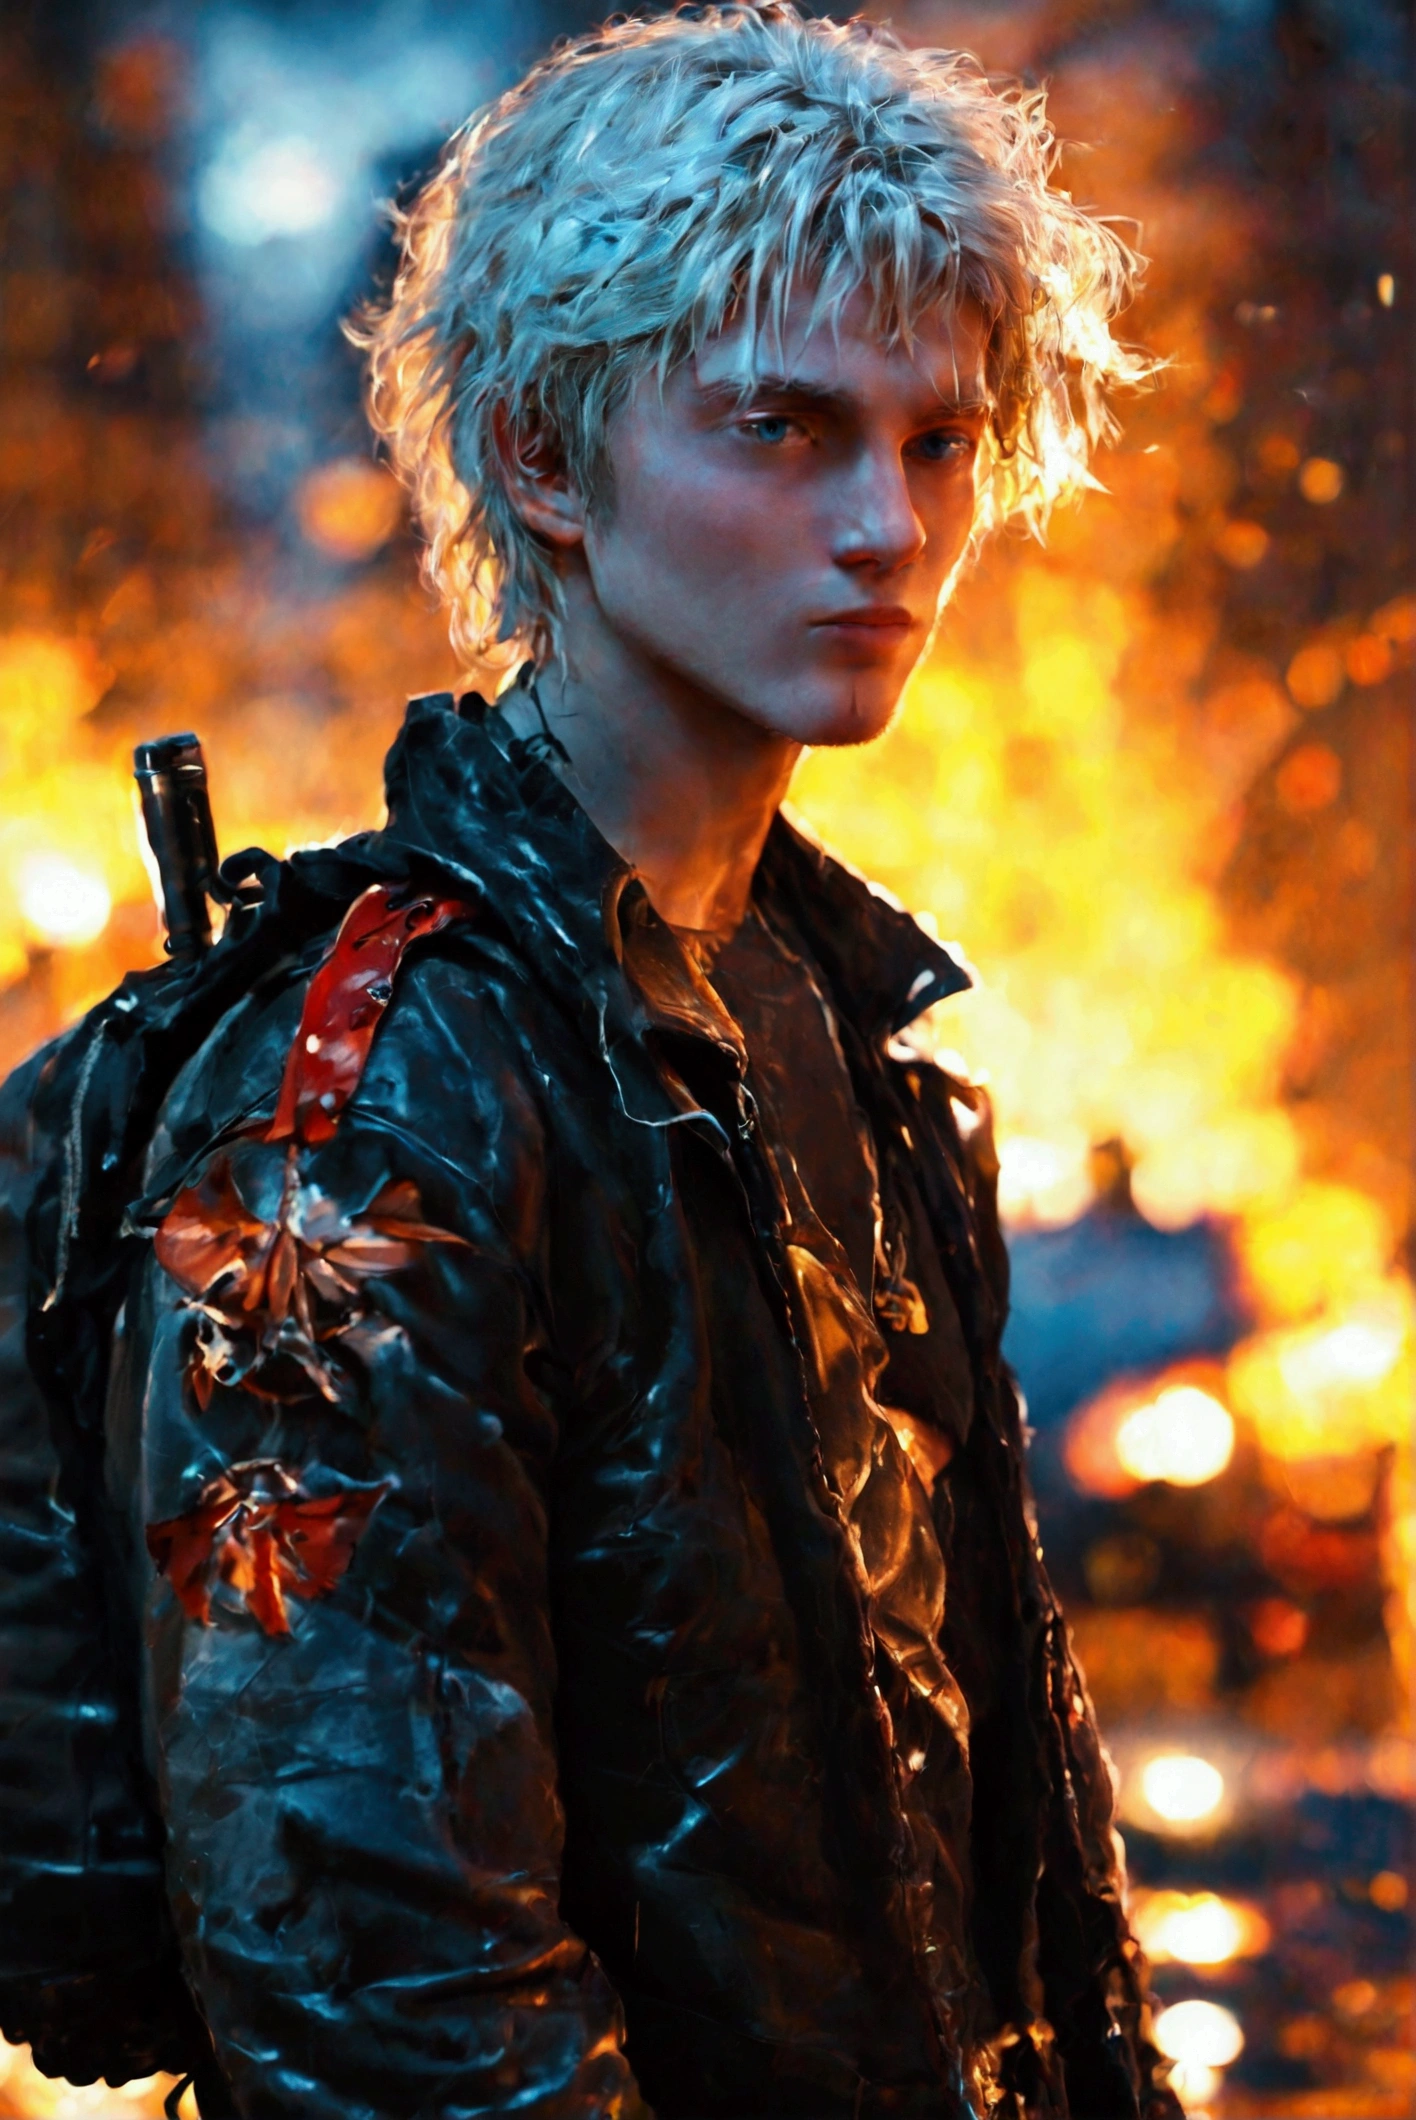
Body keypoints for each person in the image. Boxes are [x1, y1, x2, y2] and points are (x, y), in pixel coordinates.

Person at [11, 7, 1181, 2115]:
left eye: (938, 439)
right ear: (544, 459)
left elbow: (978, 1802)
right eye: (785, 429)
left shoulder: (837, 1025)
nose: (890, 525)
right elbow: (371, 1959)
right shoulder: (353, 1095)